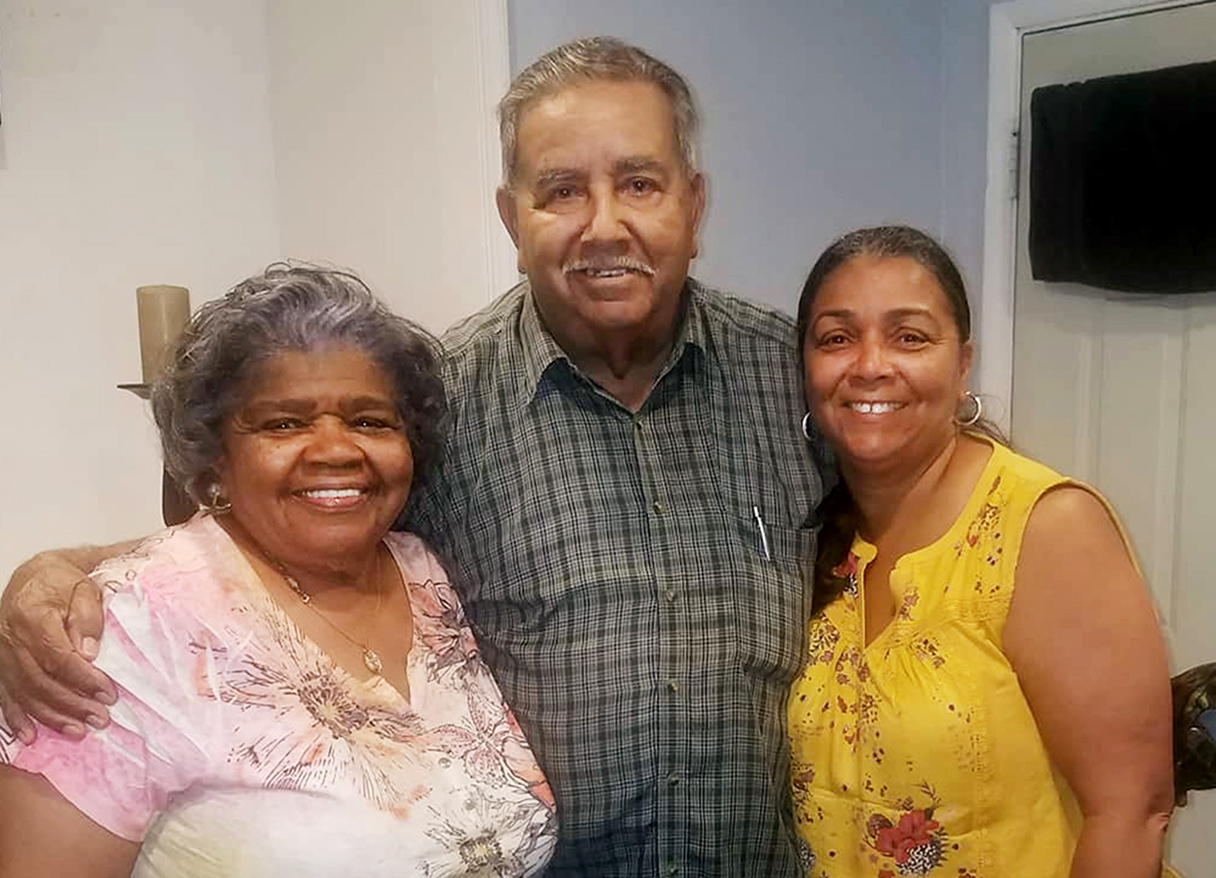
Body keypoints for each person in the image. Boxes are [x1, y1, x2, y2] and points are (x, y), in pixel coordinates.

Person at [0, 38, 824, 876]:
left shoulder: (799, 382)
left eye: (639, 183)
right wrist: (59, 575)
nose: (603, 223)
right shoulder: (444, 403)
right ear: (512, 217)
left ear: (695, 203)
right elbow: (262, 542)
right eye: (562, 190)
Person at [0, 266, 556, 877]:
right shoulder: (126, 635)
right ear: (213, 456)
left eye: (369, 420)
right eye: (283, 423)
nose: (336, 449)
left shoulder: (424, 570)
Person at [786, 225, 1175, 877]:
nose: (871, 363)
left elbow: (1133, 809)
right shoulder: (813, 538)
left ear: (962, 363)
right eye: (837, 337)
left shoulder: (1045, 527)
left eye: (909, 336)